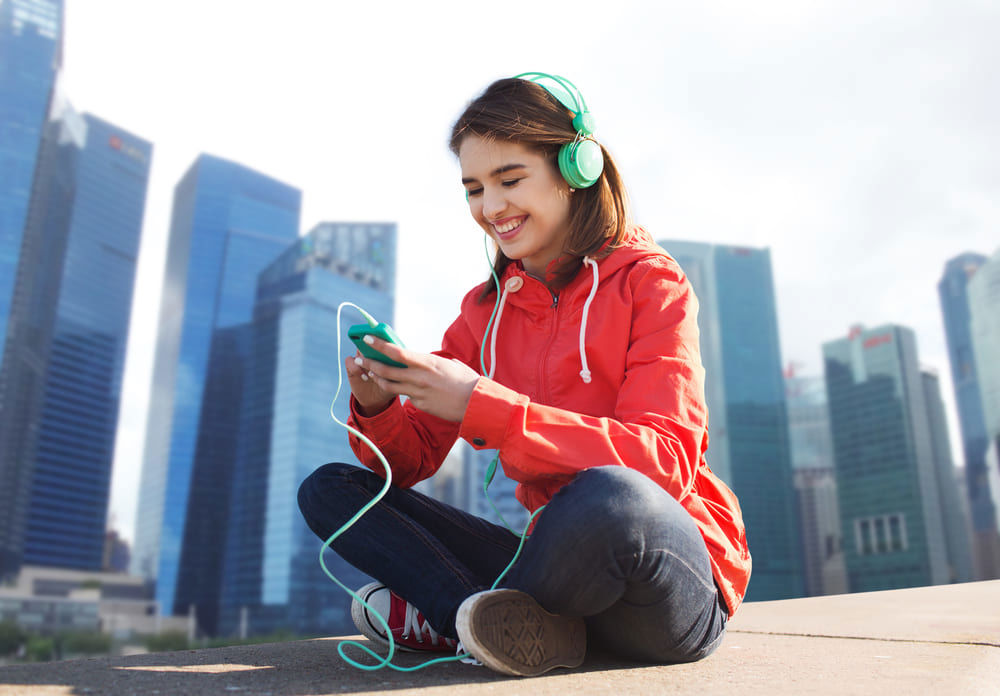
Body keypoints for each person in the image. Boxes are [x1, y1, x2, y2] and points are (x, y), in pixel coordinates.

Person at [297, 73, 751, 677]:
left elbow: (664, 462)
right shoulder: (482, 315)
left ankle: (451, 617)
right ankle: (484, 620)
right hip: (553, 573)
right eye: (474, 189)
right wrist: (379, 404)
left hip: (662, 574)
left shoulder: (650, 282)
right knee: (331, 489)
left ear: (576, 169)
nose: (491, 207)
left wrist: (483, 405)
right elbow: (405, 468)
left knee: (611, 497)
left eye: (510, 180)